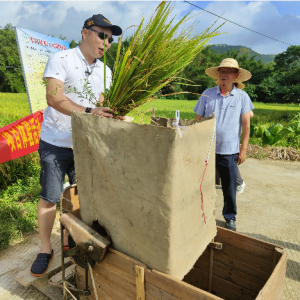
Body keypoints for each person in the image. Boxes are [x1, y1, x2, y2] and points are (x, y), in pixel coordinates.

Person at [30, 14, 123, 277]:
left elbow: (103, 104)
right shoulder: (61, 59)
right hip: (56, 143)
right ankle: (45, 249)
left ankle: (75, 242)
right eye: (101, 35)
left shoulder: (105, 71)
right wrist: (90, 111)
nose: (106, 42)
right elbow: (53, 97)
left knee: (83, 199)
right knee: (49, 198)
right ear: (85, 33)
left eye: (111, 39)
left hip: (85, 147)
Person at [194, 58, 254, 231]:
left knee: (229, 187)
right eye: (221, 71)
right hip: (206, 149)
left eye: (228, 72)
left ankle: (230, 217)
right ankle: (202, 212)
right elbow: (197, 120)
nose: (224, 74)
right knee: (203, 183)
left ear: (236, 76)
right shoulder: (208, 93)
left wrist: (243, 149)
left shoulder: (242, 96)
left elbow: (246, 124)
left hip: (229, 150)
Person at [216, 110, 254, 195]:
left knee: (227, 161)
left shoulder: (238, 98)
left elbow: (250, 114)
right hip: (218, 135)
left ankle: (239, 183)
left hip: (229, 137)